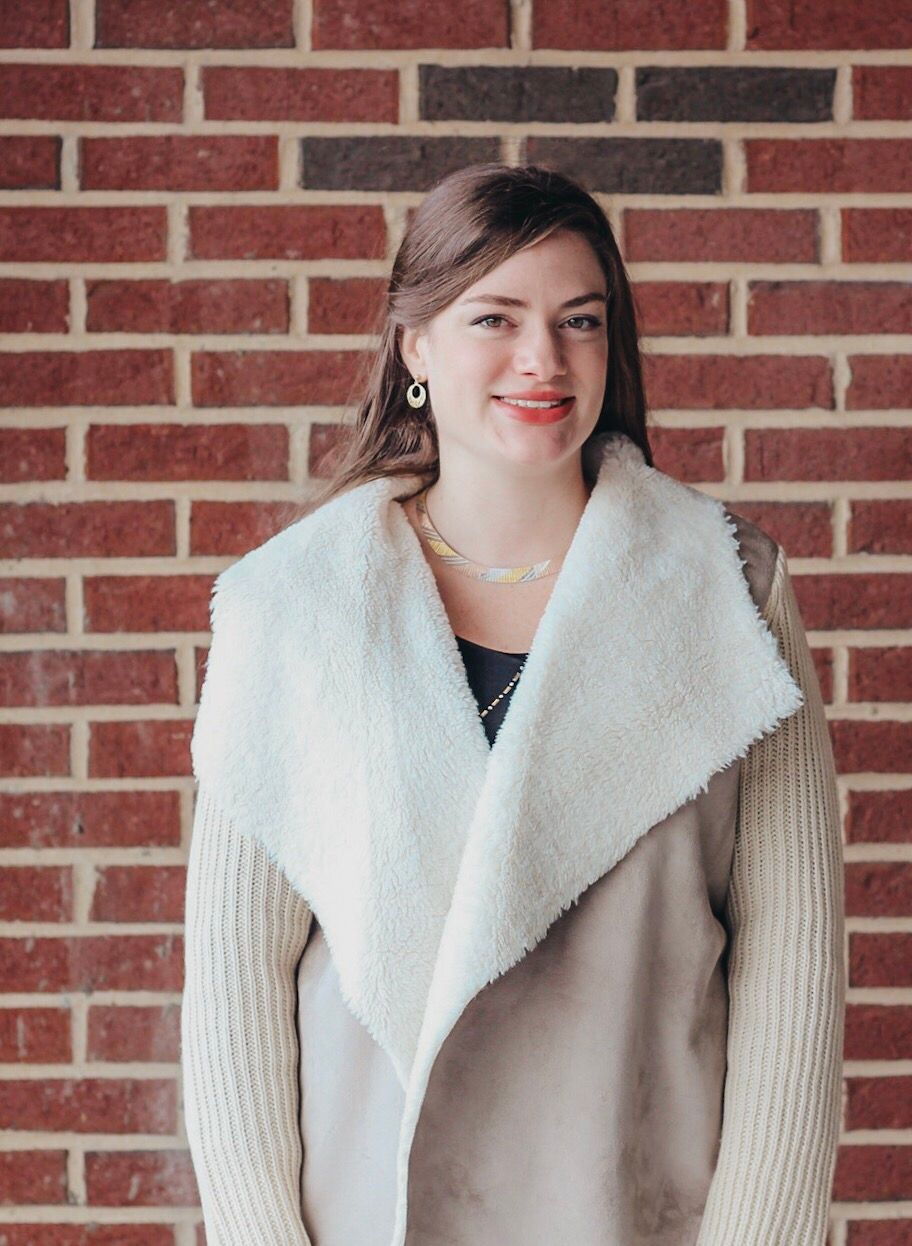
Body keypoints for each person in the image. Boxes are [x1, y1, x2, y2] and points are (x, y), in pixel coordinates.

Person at [180, 162, 846, 1246]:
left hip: (643, 1208)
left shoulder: (725, 591)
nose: (542, 359)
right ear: (415, 346)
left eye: (578, 321)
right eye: (495, 316)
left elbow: (792, 958)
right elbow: (233, 985)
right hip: (367, 1213)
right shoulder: (292, 610)